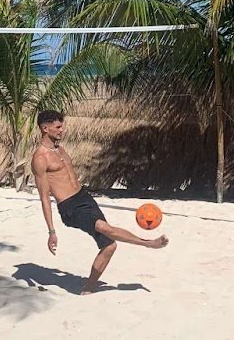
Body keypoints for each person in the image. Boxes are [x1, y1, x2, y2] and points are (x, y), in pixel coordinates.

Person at [31, 110, 168, 294]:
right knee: (105, 228)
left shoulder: (59, 149)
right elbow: (44, 198)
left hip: (84, 197)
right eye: (58, 127)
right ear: (45, 128)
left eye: (62, 126)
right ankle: (148, 243)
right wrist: (52, 231)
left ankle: (88, 288)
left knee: (109, 245)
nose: (62, 130)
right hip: (70, 208)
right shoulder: (40, 158)